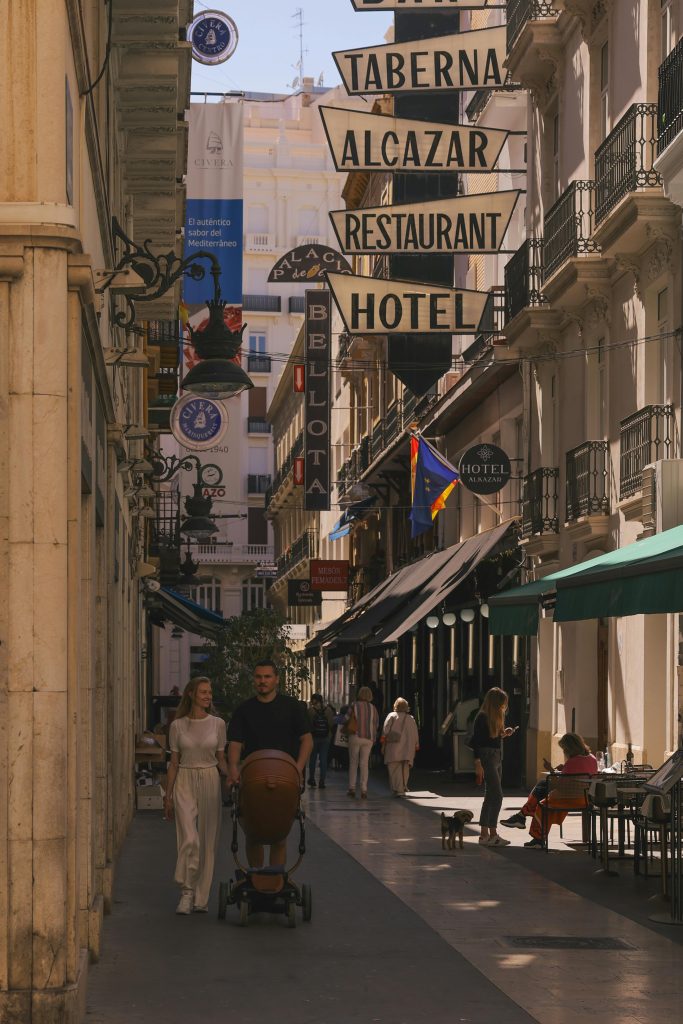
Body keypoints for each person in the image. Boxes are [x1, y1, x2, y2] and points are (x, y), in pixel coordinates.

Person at [227, 660, 313, 868]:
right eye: (258, 677)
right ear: (253, 680)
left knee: (279, 835)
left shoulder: (293, 707)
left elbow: (307, 740)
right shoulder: (244, 710)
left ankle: (274, 883)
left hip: (285, 777)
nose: (262, 681)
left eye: (267, 677)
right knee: (252, 833)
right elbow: (235, 744)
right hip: (253, 777)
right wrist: (232, 770)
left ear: (276, 679)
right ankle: (256, 879)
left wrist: (298, 769)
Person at [163, 676, 228, 915]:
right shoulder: (177, 726)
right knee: (189, 837)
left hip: (210, 778)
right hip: (184, 779)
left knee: (208, 841)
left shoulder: (218, 724)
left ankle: (201, 897)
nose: (208, 696)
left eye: (210, 692)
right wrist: (167, 795)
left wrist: (232, 776)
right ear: (191, 694)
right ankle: (186, 892)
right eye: (203, 692)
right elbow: (173, 763)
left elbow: (221, 759)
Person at [501, 732, 598, 848]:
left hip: (569, 798)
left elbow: (559, 784)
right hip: (585, 799)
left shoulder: (572, 762)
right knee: (543, 786)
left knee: (542, 800)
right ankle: (521, 816)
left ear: (570, 749)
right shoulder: (592, 759)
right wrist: (563, 769)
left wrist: (551, 769)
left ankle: (535, 835)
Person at [472, 687, 516, 847]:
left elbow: (492, 737)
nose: (503, 707)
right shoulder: (482, 717)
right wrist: (477, 763)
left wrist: (504, 733)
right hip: (487, 756)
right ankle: (492, 833)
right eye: (502, 703)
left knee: (490, 795)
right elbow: (477, 741)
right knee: (497, 795)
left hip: (496, 755)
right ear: (496, 703)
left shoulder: (494, 717)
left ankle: (485, 835)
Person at [345, 686, 379, 800]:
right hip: (368, 738)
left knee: (353, 762)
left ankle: (352, 788)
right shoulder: (373, 708)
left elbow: (346, 718)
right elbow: (376, 724)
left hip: (355, 735)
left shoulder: (354, 705)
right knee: (364, 764)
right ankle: (364, 789)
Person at [380, 698, 420, 796]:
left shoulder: (392, 716)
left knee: (394, 767)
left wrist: (383, 742)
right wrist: (416, 745)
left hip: (393, 746)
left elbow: (385, 730)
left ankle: (398, 789)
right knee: (405, 768)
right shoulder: (411, 718)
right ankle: (403, 786)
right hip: (408, 748)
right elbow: (415, 733)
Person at [307, 693, 335, 788]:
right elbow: (331, 724)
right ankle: (322, 781)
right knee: (323, 759)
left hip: (313, 737)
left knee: (313, 758)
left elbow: (308, 724)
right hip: (326, 737)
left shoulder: (310, 711)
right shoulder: (328, 710)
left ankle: (312, 779)